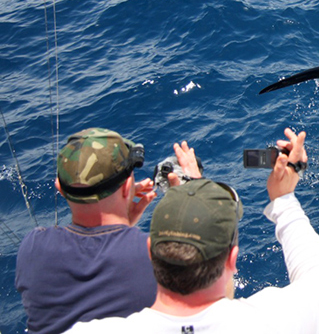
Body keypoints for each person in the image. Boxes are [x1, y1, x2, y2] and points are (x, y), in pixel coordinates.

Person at [66, 128, 319, 334]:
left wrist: (122, 221)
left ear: (150, 252)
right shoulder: (273, 323)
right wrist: (283, 199)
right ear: (232, 258)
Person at [15, 127, 201, 334]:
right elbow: (216, 301)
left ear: (60, 188)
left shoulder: (32, 247)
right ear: (126, 186)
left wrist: (124, 226)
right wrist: (196, 189)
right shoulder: (156, 256)